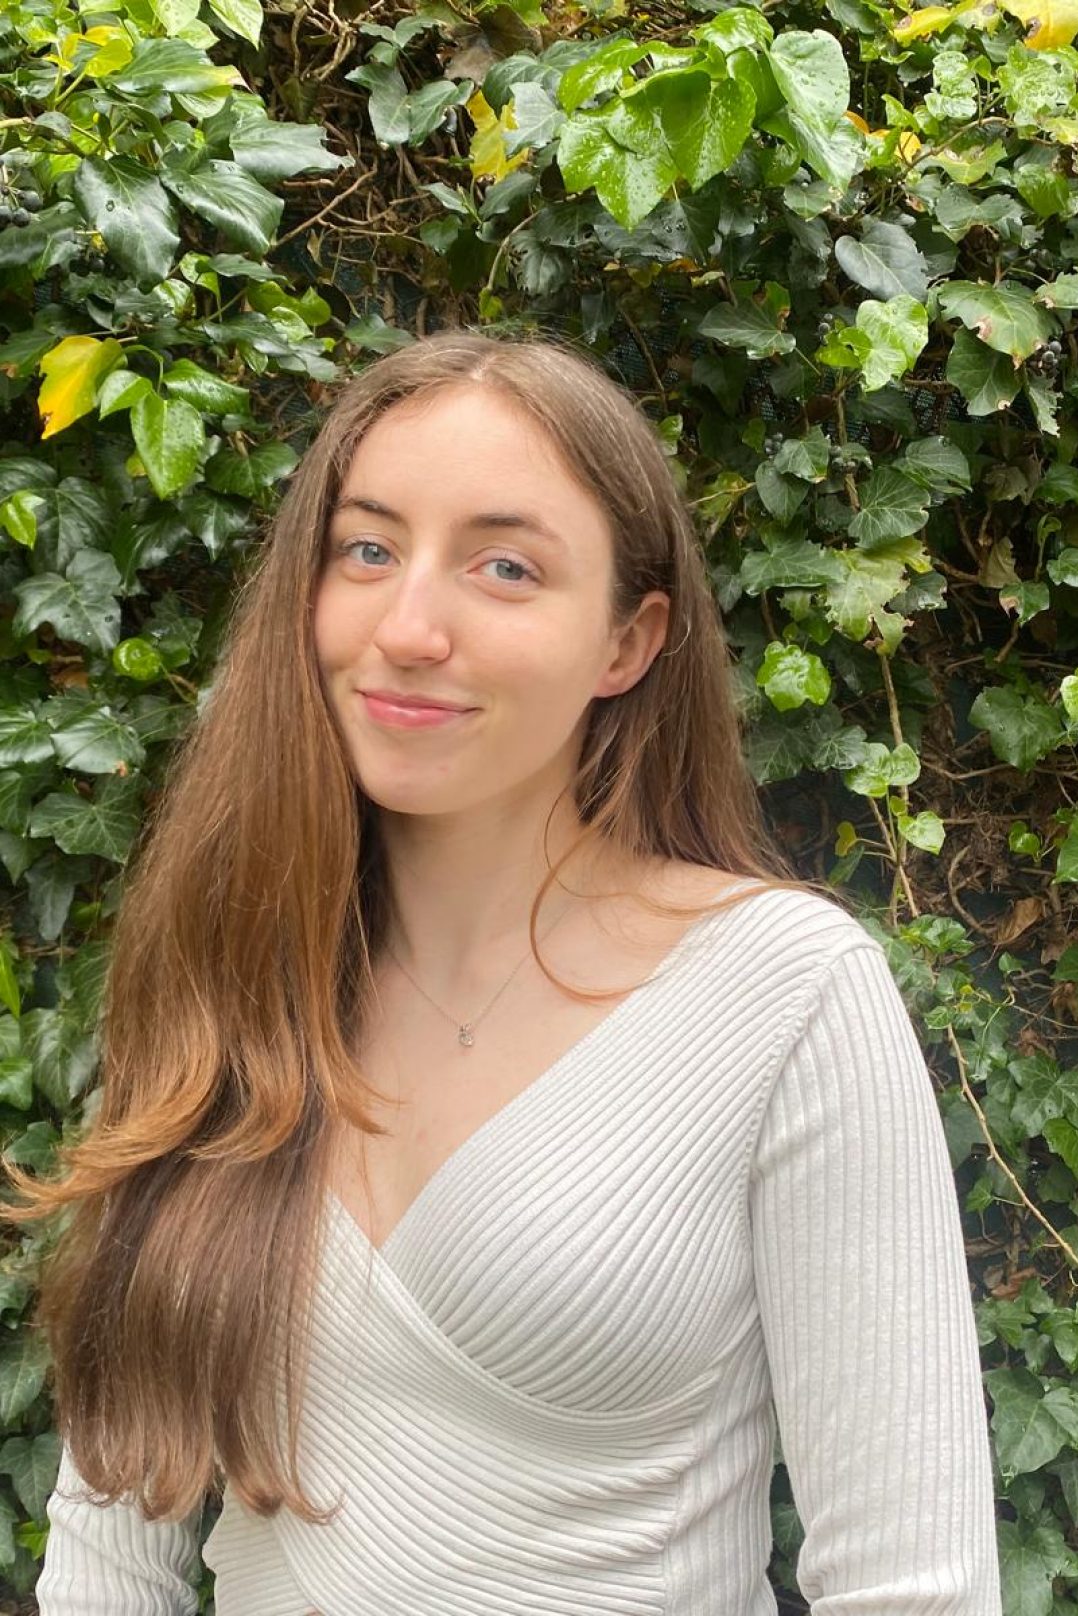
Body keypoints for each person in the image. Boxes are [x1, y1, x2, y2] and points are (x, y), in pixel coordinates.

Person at [8, 327, 1001, 1615]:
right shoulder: (228, 968)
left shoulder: (783, 994)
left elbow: (912, 1586)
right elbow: (112, 1537)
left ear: (628, 642)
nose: (409, 627)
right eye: (368, 550)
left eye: (506, 567)